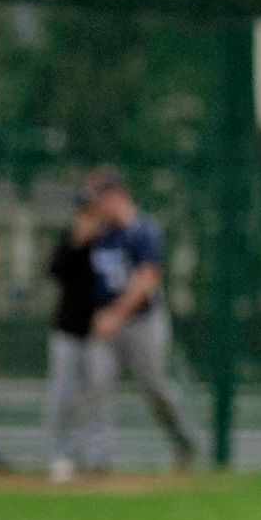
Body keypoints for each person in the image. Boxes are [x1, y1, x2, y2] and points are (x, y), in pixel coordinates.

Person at [84, 171, 203, 471]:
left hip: (143, 321)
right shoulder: (100, 234)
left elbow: (146, 279)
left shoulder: (143, 229)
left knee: (154, 387)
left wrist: (115, 315)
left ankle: (184, 442)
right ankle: (98, 458)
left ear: (116, 195)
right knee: (97, 384)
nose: (95, 205)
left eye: (99, 198)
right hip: (107, 322)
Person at [43, 190, 115, 481]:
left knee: (98, 395)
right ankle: (58, 454)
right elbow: (54, 271)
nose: (89, 219)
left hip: (98, 333)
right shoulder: (68, 241)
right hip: (68, 330)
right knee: (62, 395)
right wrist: (77, 243)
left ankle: (97, 456)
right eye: (84, 213)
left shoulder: (111, 242)